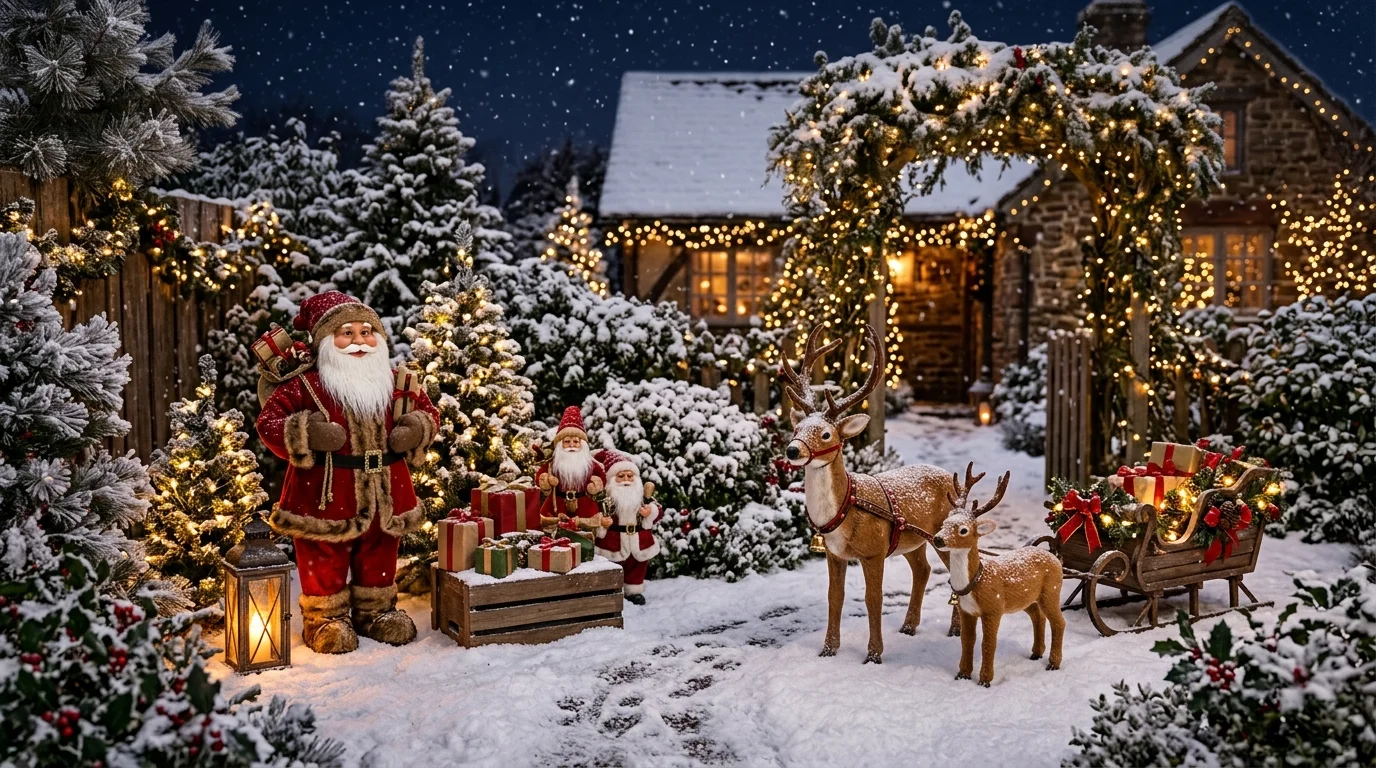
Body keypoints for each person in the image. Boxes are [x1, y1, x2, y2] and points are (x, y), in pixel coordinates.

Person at [257, 291, 439, 654]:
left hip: (385, 490)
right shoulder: (304, 385)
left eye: (367, 331)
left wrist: (417, 428)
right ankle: (324, 618)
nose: (359, 341)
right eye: (347, 333)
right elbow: (269, 423)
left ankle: (376, 611)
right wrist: (308, 432)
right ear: (326, 342)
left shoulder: (395, 383)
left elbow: (429, 413)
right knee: (323, 553)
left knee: (381, 549)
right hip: (324, 493)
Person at [593, 449, 663, 605]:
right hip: (613, 542)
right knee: (612, 567)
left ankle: (633, 591)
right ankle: (612, 590)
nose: (626, 479)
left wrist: (650, 511)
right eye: (621, 476)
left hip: (639, 542)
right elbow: (595, 514)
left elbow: (658, 510)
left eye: (630, 476)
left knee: (637, 567)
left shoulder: (642, 496)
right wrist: (601, 523)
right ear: (612, 479)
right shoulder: (606, 498)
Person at [535, 406, 609, 531]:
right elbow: (540, 477)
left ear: (583, 445)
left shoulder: (590, 464)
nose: (571, 445)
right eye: (567, 442)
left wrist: (596, 485)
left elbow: (602, 478)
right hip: (557, 506)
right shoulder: (553, 464)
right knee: (555, 532)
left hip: (584, 507)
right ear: (560, 445)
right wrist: (546, 480)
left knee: (585, 533)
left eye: (576, 442)